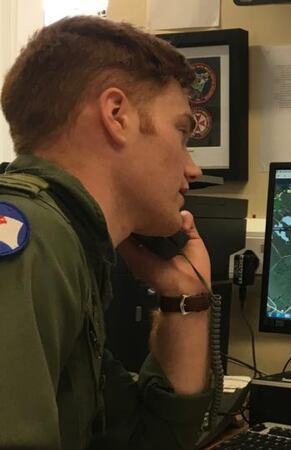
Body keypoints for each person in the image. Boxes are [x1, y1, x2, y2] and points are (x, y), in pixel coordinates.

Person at [0, 15, 214, 449]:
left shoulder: (70, 242)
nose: (193, 169)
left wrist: (186, 297)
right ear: (117, 115)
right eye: (181, 133)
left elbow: (146, 441)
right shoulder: (29, 241)